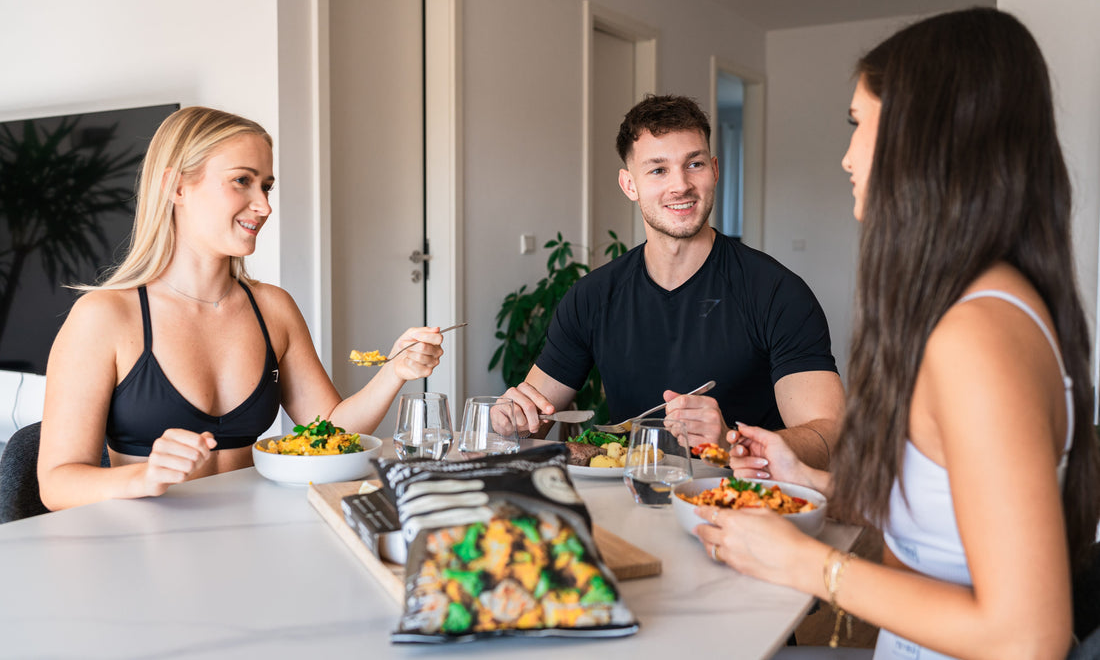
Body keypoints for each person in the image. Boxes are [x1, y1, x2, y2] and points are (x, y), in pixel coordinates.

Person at [695, 7, 1100, 659]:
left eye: (859, 125)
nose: (847, 157)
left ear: (926, 137)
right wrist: (808, 477)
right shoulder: (988, 301)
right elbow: (951, 513)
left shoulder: (977, 337)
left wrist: (806, 564)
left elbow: (1029, 637)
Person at [38, 107, 444, 510]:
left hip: (251, 538)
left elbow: (332, 433)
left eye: (266, 186)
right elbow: (57, 485)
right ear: (176, 187)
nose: (264, 206)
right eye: (241, 182)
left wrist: (395, 372)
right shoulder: (104, 316)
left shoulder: (272, 308)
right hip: (149, 551)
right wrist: (144, 476)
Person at [505, 94, 845, 472]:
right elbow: (536, 415)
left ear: (714, 169)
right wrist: (516, 417)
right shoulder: (592, 296)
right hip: (629, 499)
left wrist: (732, 441)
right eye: (658, 170)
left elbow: (827, 436)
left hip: (741, 504)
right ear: (629, 184)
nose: (680, 185)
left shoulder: (777, 293)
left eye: (694, 164)